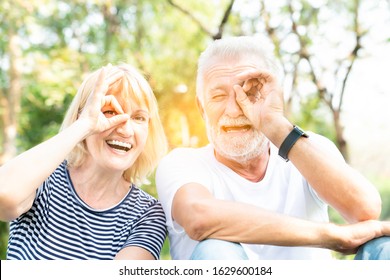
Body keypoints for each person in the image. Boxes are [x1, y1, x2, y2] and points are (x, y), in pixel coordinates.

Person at [156, 36, 390, 260]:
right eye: (218, 96)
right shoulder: (182, 163)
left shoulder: (311, 147)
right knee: (215, 250)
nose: (235, 110)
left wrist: (275, 125)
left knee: (383, 248)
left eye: (249, 93)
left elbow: (365, 209)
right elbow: (199, 218)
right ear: (201, 107)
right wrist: (329, 235)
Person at [0, 63, 168, 260]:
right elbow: (4, 195)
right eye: (110, 111)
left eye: (139, 118)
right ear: (82, 115)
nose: (125, 130)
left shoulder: (147, 214)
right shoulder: (43, 178)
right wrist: (85, 124)